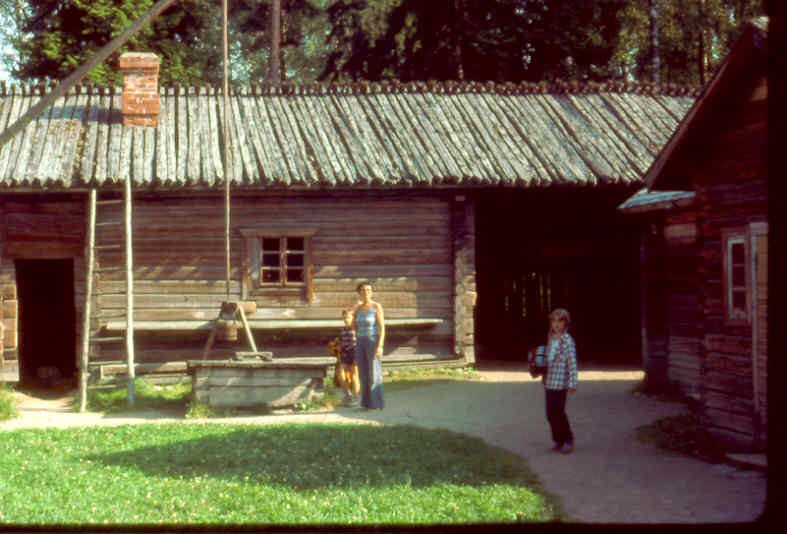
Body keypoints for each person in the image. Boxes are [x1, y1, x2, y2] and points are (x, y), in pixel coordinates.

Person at [543, 308, 578, 454]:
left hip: (560, 383)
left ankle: (568, 440)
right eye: (554, 321)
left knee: (559, 412)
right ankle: (558, 440)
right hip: (550, 382)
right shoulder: (551, 339)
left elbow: (572, 362)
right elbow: (547, 360)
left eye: (560, 321)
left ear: (565, 323)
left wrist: (572, 382)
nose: (556, 324)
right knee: (550, 413)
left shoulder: (567, 341)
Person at [352, 281, 385, 410]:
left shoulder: (376, 307)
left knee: (374, 372)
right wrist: (354, 309)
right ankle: (365, 404)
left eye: (368, 290)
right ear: (359, 293)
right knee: (363, 373)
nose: (366, 292)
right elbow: (352, 325)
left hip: (373, 341)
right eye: (363, 290)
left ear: (372, 292)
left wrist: (380, 345)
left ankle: (376, 404)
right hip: (360, 341)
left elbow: (382, 327)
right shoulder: (357, 308)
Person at [338, 308, 359, 406]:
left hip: (355, 351)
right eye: (344, 317)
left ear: (352, 318)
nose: (346, 319)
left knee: (354, 374)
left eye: (348, 317)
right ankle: (348, 394)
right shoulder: (342, 330)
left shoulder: (356, 328)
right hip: (345, 353)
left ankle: (355, 397)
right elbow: (341, 342)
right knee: (341, 374)